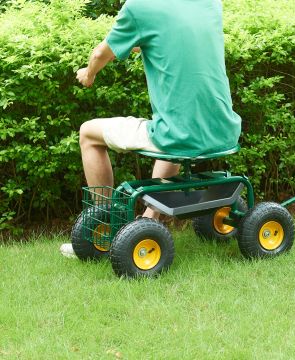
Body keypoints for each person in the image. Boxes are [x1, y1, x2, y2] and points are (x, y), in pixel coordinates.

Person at [60, 0, 241, 257]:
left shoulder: (140, 7)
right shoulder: (210, 3)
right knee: (174, 133)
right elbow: (179, 39)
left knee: (89, 133)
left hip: (177, 134)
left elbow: (101, 54)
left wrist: (88, 74)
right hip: (224, 130)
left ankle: (106, 226)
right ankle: (150, 219)